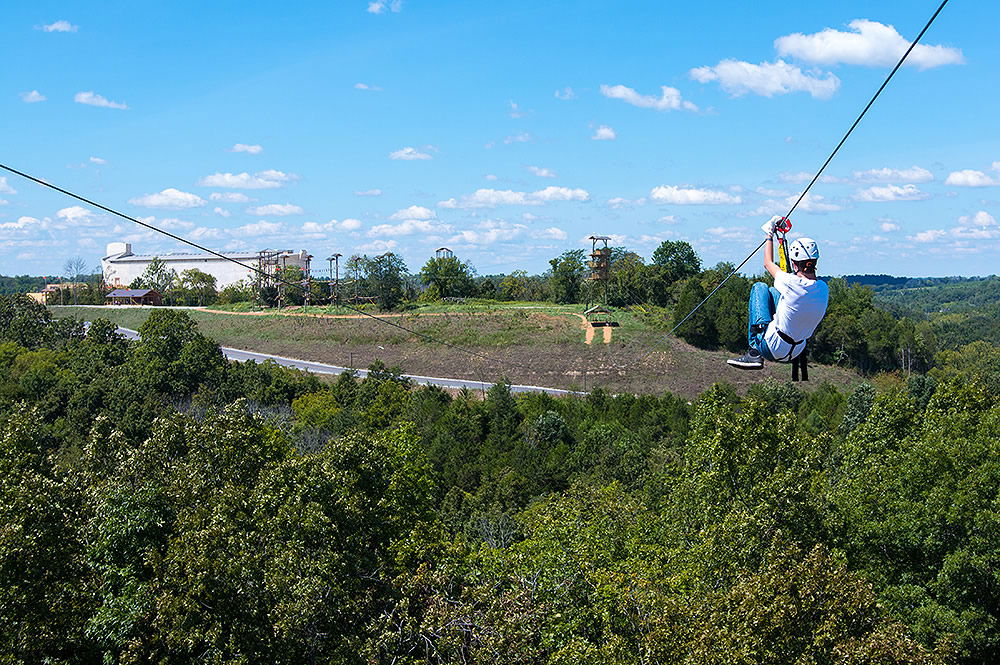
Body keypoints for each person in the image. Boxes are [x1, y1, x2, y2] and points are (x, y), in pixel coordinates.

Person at [728, 216, 829, 370]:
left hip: (772, 347)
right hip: (796, 350)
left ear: (794, 264)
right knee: (773, 291)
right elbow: (795, 282)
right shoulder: (823, 288)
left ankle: (754, 353)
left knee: (760, 288)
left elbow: (768, 263)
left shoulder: (791, 283)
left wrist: (769, 234)